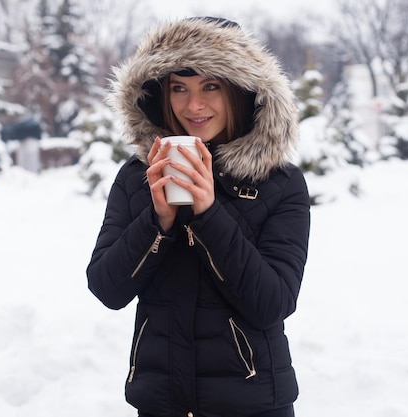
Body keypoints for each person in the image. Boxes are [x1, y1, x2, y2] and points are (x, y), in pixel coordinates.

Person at [86, 16, 310, 417]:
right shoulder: (137, 177)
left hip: (252, 406)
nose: (194, 105)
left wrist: (208, 213)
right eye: (179, 88)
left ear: (240, 90)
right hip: (161, 405)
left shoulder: (278, 183)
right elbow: (107, 288)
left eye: (211, 86)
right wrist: (158, 222)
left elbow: (272, 303)